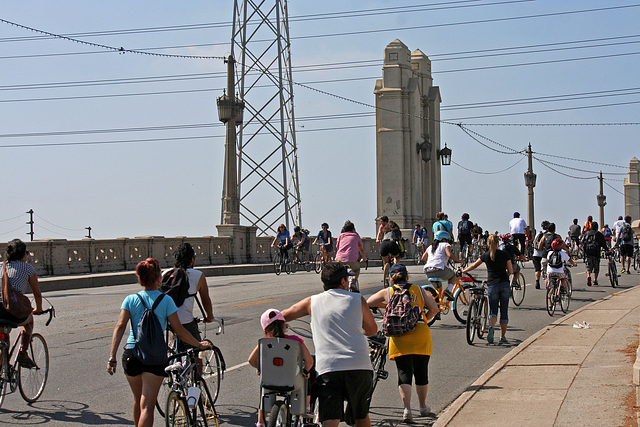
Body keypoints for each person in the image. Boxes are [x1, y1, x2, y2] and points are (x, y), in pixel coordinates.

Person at [108, 258, 212, 427]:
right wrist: (199, 345)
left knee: (138, 400)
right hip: (153, 356)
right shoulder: (166, 301)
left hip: (131, 354)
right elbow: (180, 331)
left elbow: (120, 326)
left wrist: (112, 356)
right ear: (158, 278)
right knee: (148, 406)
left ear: (140, 279)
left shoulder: (130, 299)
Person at [282, 262, 377, 427]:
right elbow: (372, 329)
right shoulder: (357, 299)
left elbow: (282, 316)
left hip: (329, 368)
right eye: (347, 280)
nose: (348, 283)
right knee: (361, 416)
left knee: (330, 419)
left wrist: (279, 329)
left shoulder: (312, 302)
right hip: (360, 366)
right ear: (342, 282)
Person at [366, 264, 439, 423]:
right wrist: (424, 317)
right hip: (420, 333)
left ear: (391, 278)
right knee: (421, 372)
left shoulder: (388, 292)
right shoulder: (419, 290)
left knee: (404, 373)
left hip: (398, 336)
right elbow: (434, 308)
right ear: (407, 277)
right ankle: (422, 406)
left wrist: (388, 306)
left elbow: (369, 302)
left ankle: (407, 410)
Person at [248, 308, 314, 427]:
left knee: (265, 393)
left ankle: (260, 423)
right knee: (308, 376)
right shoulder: (296, 341)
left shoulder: (265, 343)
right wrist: (306, 371)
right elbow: (309, 361)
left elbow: (251, 360)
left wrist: (260, 369)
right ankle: (307, 407)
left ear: (265, 329)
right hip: (292, 381)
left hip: (270, 380)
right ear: (284, 324)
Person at [462, 234, 513, 345]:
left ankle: (491, 328)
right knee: (504, 311)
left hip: (492, 285)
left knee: (493, 311)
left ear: (488, 244)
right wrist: (507, 273)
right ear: (498, 243)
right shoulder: (505, 254)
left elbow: (474, 265)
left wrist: (464, 271)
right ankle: (502, 337)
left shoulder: (486, 255)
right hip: (504, 284)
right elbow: (511, 271)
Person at [0, 239, 44, 368]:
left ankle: (4, 366)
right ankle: (23, 352)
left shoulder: (1, 266)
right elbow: (37, 293)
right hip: (13, 311)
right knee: (29, 319)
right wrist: (39, 309)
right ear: (23, 254)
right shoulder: (28, 268)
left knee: (3, 334)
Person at [168, 243, 214, 352]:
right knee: (197, 350)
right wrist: (210, 316)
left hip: (167, 322)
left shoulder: (166, 273)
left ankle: (172, 353)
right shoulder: (197, 275)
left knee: (173, 342)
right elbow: (205, 300)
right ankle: (198, 368)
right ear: (192, 260)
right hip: (185, 321)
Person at [422, 230, 464, 301]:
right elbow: (449, 255)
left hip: (428, 270)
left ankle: (436, 305)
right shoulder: (445, 245)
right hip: (439, 269)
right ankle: (449, 291)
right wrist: (460, 261)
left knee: (438, 290)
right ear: (444, 239)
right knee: (453, 275)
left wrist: (432, 261)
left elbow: (423, 258)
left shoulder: (430, 246)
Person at [334, 220, 367, 287]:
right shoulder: (356, 236)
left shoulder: (340, 236)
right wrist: (364, 258)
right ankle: (354, 281)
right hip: (352, 259)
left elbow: (337, 247)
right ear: (353, 230)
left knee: (339, 271)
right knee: (356, 269)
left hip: (339, 259)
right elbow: (361, 249)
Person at [582, 222, 607, 286]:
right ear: (597, 227)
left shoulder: (586, 234)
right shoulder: (599, 234)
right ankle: (595, 280)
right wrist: (607, 250)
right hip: (596, 252)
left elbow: (583, 243)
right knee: (596, 267)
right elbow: (604, 244)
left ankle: (588, 276)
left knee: (588, 266)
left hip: (588, 252)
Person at [380, 221, 402, 287]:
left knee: (385, 261)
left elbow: (381, 238)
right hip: (392, 243)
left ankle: (385, 273)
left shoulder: (385, 230)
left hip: (383, 244)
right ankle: (395, 269)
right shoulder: (396, 230)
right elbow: (399, 239)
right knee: (396, 257)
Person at [532, 221, 550, 289]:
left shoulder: (538, 233)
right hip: (544, 254)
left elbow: (534, 242)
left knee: (537, 269)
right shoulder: (548, 235)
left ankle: (537, 282)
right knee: (545, 270)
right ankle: (547, 284)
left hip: (536, 254)